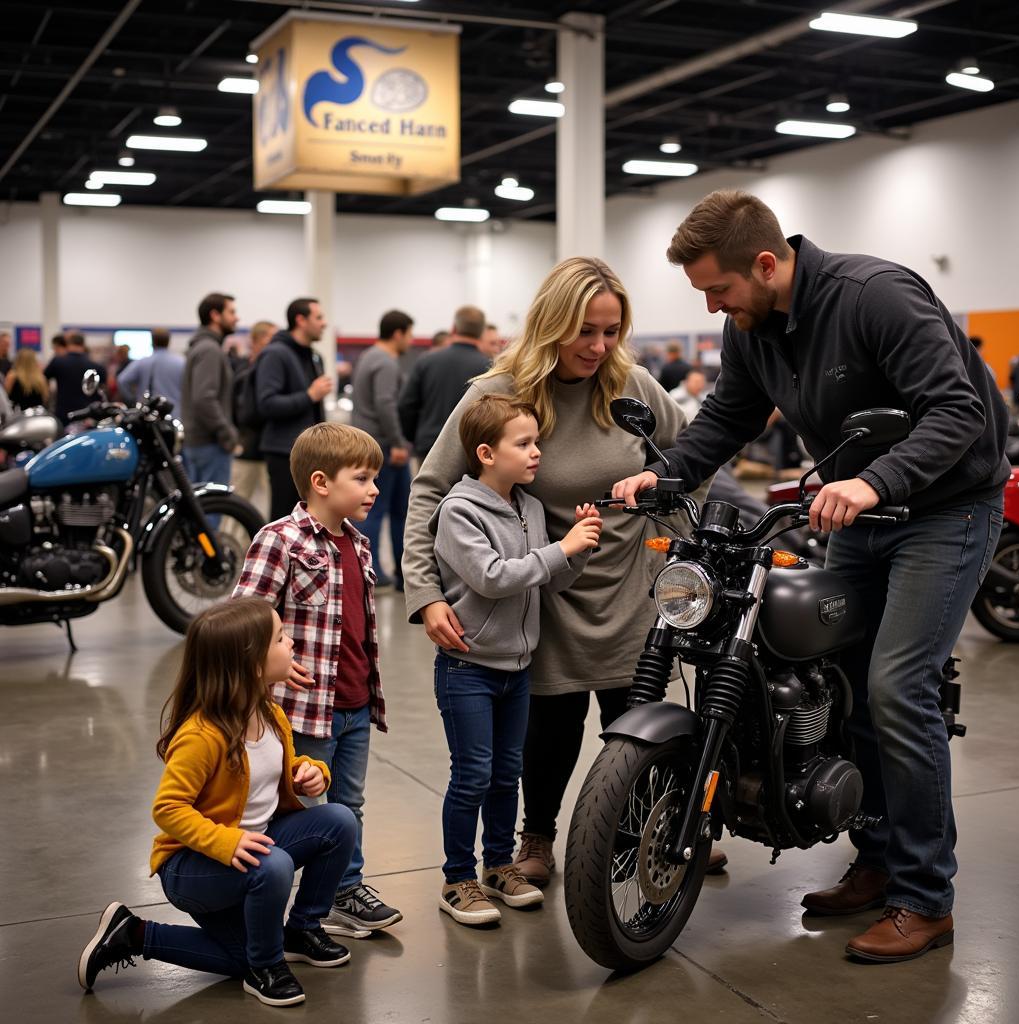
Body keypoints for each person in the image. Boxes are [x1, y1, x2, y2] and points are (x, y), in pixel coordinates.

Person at [613, 189, 1009, 963]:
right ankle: (880, 856)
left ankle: (926, 898)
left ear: (766, 264)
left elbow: (956, 411)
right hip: (857, 515)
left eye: (718, 290)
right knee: (839, 677)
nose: (713, 305)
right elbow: (729, 415)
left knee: (898, 687)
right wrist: (666, 477)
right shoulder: (753, 328)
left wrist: (873, 482)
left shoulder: (876, 298)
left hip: (948, 509)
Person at [403, 258, 723, 889]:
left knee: (639, 728)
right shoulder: (499, 395)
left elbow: (695, 459)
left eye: (611, 331)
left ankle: (660, 832)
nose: (599, 347)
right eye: (586, 332)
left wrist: (674, 541)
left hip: (633, 598)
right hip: (543, 596)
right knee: (548, 735)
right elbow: (431, 491)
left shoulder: (630, 384)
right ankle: (538, 837)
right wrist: (425, 593)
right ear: (551, 324)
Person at [76, 598, 357, 1007]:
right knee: (258, 912)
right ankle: (247, 963)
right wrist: (226, 843)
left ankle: (302, 929)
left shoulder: (269, 713)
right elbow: (168, 809)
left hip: (252, 848)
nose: (291, 642)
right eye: (280, 638)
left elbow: (272, 768)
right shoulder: (201, 735)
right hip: (194, 866)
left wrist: (309, 770)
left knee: (339, 820)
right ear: (252, 664)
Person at [431, 394, 602, 925]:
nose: (536, 454)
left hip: (518, 669)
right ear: (485, 452)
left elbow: (549, 577)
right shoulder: (458, 511)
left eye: (537, 443)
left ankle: (498, 866)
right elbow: (494, 577)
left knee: (508, 774)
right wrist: (562, 547)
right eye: (523, 444)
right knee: (473, 776)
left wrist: (581, 548)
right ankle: (457, 877)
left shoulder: (527, 506)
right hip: (469, 668)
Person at [233, 422, 403, 939]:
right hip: (304, 708)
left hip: (354, 702)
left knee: (349, 806)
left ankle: (341, 893)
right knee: (307, 806)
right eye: (362, 478)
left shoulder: (359, 543)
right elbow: (243, 619)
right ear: (321, 482)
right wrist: (268, 665)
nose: (374, 488)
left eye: (375, 478)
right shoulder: (280, 540)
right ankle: (281, 901)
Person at [351, 309, 414, 587]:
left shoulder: (367, 356)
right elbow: (385, 404)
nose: (411, 341)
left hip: (369, 442)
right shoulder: (386, 363)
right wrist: (398, 442)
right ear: (398, 333)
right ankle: (375, 569)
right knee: (383, 510)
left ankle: (387, 570)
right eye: (409, 334)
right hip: (385, 447)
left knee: (381, 509)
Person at [257, 298, 333, 522]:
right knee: (284, 518)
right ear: (300, 320)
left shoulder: (312, 355)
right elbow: (267, 404)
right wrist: (309, 395)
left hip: (310, 452)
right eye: (318, 317)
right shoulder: (276, 354)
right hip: (283, 452)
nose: (324, 323)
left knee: (309, 519)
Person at [398, 305, 491, 464]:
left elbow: (406, 406)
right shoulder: (490, 368)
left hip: (429, 447)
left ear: (453, 328)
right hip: (470, 451)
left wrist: (417, 437)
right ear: (482, 332)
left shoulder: (426, 361)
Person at [180, 292, 239, 486]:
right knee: (211, 511)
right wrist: (227, 434)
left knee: (200, 509)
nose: (236, 318)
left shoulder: (203, 347)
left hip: (200, 443)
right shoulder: (210, 350)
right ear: (215, 315)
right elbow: (204, 398)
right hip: (210, 444)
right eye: (231, 312)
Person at [232, 320, 276, 514]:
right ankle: (230, 545)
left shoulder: (273, 370)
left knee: (274, 506)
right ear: (257, 340)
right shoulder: (245, 371)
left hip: (270, 451)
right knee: (238, 505)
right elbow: (241, 413)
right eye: (271, 337)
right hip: (249, 449)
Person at [44, 332, 104, 426]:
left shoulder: (57, 362)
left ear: (68, 343)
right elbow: (103, 390)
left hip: (64, 414)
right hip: (88, 415)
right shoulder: (97, 367)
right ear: (83, 344)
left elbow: (43, 380)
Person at [117, 329, 185, 411]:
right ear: (168, 342)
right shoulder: (181, 362)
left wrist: (132, 401)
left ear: (152, 342)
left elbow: (122, 380)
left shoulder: (142, 362)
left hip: (148, 414)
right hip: (175, 412)